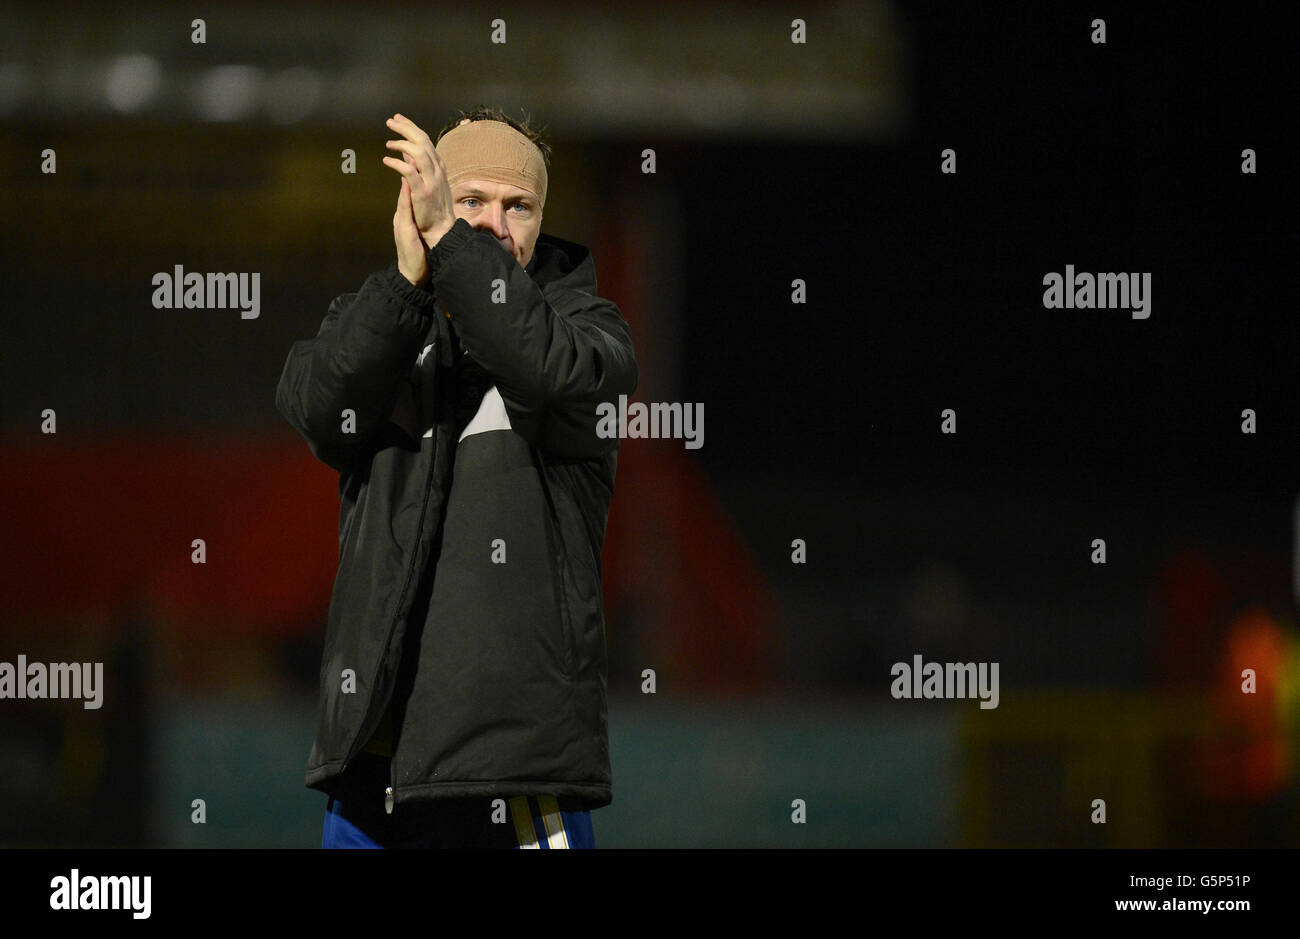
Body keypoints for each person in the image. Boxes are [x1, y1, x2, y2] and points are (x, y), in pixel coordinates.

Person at [274, 105, 638, 848]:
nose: (491, 225)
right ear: (422, 202)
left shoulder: (591, 335)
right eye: (468, 199)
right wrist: (409, 281)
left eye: (518, 206)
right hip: (376, 768)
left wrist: (448, 242)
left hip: (515, 777)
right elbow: (316, 404)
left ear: (542, 222)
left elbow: (537, 360)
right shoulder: (381, 325)